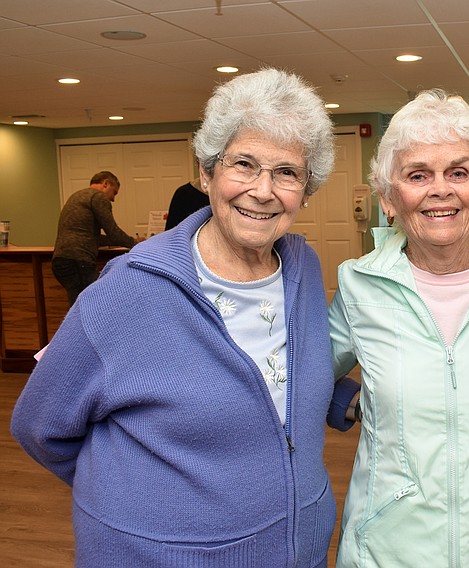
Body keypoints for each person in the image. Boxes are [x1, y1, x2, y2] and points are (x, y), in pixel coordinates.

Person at [12, 68, 359, 567]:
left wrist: (347, 395)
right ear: (207, 173)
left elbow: (270, 372)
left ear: (306, 189)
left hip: (297, 549)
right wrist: (136, 498)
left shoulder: (300, 267)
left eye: (287, 172)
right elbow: (40, 426)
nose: (263, 190)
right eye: (244, 164)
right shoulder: (128, 290)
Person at [329, 89, 469, 567]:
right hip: (386, 548)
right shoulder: (358, 284)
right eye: (418, 175)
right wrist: (351, 400)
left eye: (458, 172)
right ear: (389, 198)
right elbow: (296, 380)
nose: (441, 190)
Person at [51, 171, 138, 305]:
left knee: (78, 304)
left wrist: (120, 241)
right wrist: (136, 244)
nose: (113, 199)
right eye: (114, 193)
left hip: (61, 260)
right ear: (106, 184)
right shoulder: (98, 197)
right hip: (79, 260)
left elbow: (91, 237)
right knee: (97, 302)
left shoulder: (77, 196)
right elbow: (113, 232)